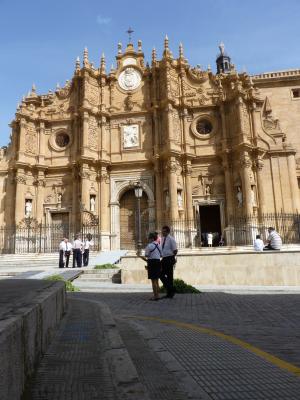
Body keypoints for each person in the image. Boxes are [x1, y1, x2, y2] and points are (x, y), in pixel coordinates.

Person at [160, 225, 178, 299]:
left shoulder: (171, 239)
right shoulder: (163, 239)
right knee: (160, 274)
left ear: (167, 232)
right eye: (162, 231)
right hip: (164, 258)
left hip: (169, 258)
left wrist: (171, 258)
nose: (162, 233)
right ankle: (171, 289)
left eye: (164, 232)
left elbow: (175, 250)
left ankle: (170, 293)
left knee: (169, 276)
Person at [144, 232, 162, 301]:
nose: (148, 239)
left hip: (151, 262)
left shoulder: (149, 246)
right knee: (157, 280)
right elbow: (161, 255)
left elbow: (146, 255)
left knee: (153, 280)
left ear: (151, 238)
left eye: (149, 238)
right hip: (158, 262)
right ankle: (158, 295)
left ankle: (155, 296)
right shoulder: (159, 245)